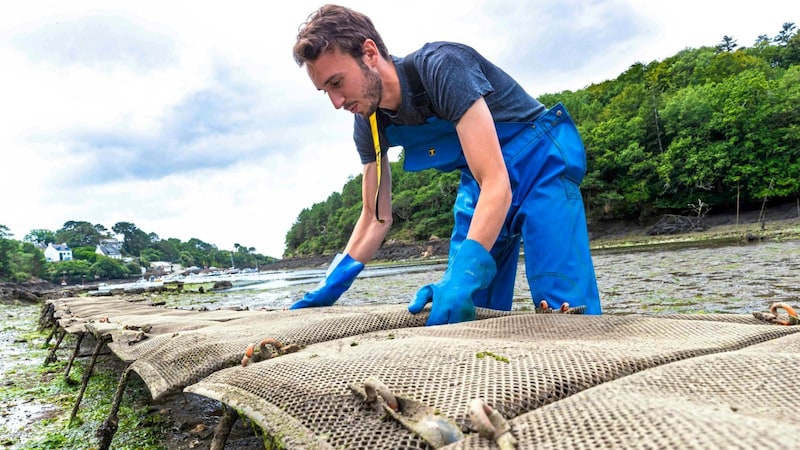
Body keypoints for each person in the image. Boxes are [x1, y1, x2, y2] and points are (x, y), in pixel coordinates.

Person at [289, 4, 602, 325]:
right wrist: (334, 282)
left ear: (369, 53)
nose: (336, 103)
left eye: (337, 82)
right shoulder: (369, 122)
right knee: (466, 311)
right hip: (480, 183)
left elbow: (497, 180)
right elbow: (374, 217)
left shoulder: (441, 67)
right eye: (325, 90)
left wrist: (464, 273)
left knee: (563, 305)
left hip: (539, 163)